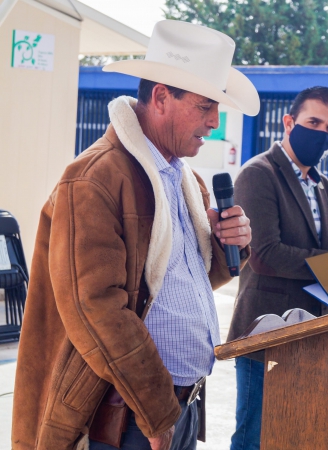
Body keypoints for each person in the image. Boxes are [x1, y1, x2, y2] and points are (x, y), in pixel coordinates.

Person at [12, 20, 258, 450]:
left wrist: (227, 245)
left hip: (174, 408)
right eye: (204, 106)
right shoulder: (94, 179)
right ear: (161, 97)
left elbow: (186, 284)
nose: (215, 122)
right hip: (125, 417)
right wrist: (157, 412)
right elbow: (98, 310)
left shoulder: (184, 178)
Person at [226, 86, 328, 449]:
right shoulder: (258, 174)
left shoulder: (321, 185)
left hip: (312, 330)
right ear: (289, 122)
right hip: (266, 328)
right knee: (255, 437)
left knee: (295, 434)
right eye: (314, 122)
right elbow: (264, 253)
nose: (323, 134)